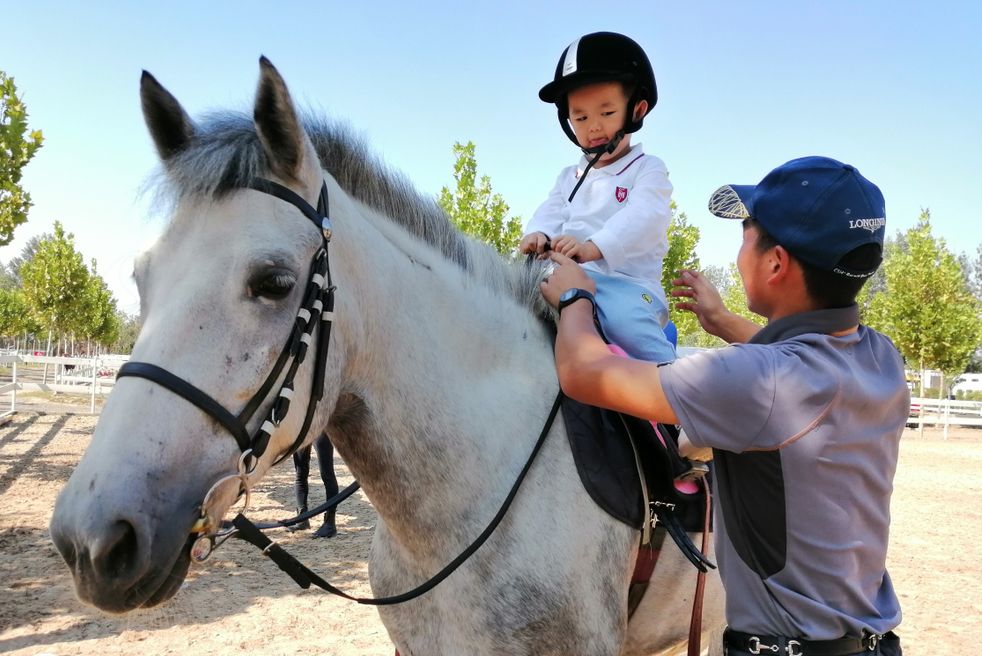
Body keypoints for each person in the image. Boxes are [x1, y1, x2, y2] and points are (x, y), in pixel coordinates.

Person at [540, 156, 905, 655]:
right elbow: (799, 366)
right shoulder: (880, 357)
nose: (739, 250)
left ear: (775, 262)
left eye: (746, 233)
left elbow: (585, 374)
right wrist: (725, 321)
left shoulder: (756, 382)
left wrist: (575, 299)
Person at [521, 31, 675, 364]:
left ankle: (677, 401)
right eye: (581, 117)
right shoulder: (569, 177)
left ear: (637, 109)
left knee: (625, 324)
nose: (593, 127)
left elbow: (645, 216)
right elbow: (551, 210)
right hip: (567, 276)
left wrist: (593, 247)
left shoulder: (648, 169)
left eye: (606, 113)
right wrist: (538, 235)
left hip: (626, 286)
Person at [289, 432, 339, 538]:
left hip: (319, 427)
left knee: (327, 474)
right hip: (303, 428)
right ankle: (302, 519)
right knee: (300, 474)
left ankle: (330, 523)